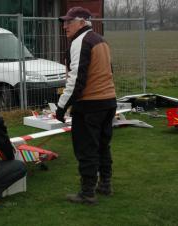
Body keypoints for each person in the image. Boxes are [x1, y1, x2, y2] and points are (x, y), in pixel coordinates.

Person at [56, 7, 117, 204]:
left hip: (91, 104)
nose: (65, 26)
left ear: (82, 22)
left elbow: (76, 80)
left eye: (69, 22)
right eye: (64, 22)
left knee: (86, 149)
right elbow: (109, 71)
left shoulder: (80, 42)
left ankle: (87, 193)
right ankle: (105, 184)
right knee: (102, 145)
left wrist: (60, 107)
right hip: (109, 101)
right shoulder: (101, 40)